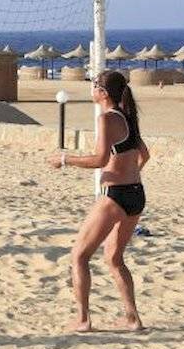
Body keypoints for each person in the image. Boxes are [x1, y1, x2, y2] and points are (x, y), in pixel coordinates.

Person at [46, 70, 150, 333]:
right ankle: (132, 318)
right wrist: (129, 173)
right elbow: (144, 154)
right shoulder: (128, 116)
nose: (91, 90)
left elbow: (100, 159)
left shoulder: (107, 118)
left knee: (79, 256)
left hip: (116, 196)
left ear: (103, 93)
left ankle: (82, 319)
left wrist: (64, 159)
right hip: (136, 193)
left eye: (93, 86)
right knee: (114, 259)